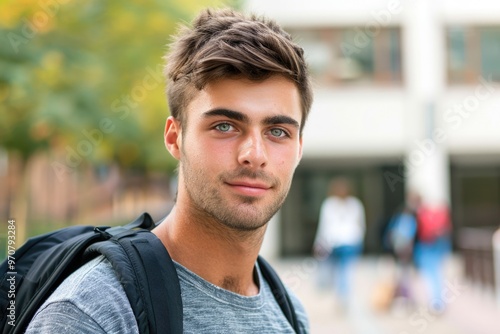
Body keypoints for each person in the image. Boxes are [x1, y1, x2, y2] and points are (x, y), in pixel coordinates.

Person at [26, 8, 313, 333]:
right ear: (174, 138)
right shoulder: (94, 313)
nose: (254, 155)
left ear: (299, 148)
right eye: (224, 126)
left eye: (277, 132)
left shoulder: (289, 314)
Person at [313, 177, 365, 310]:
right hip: (349, 242)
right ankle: (343, 294)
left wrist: (318, 243)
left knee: (337, 270)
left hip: (336, 242)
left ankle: (341, 294)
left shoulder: (329, 204)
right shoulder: (354, 204)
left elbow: (324, 226)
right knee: (344, 270)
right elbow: (361, 225)